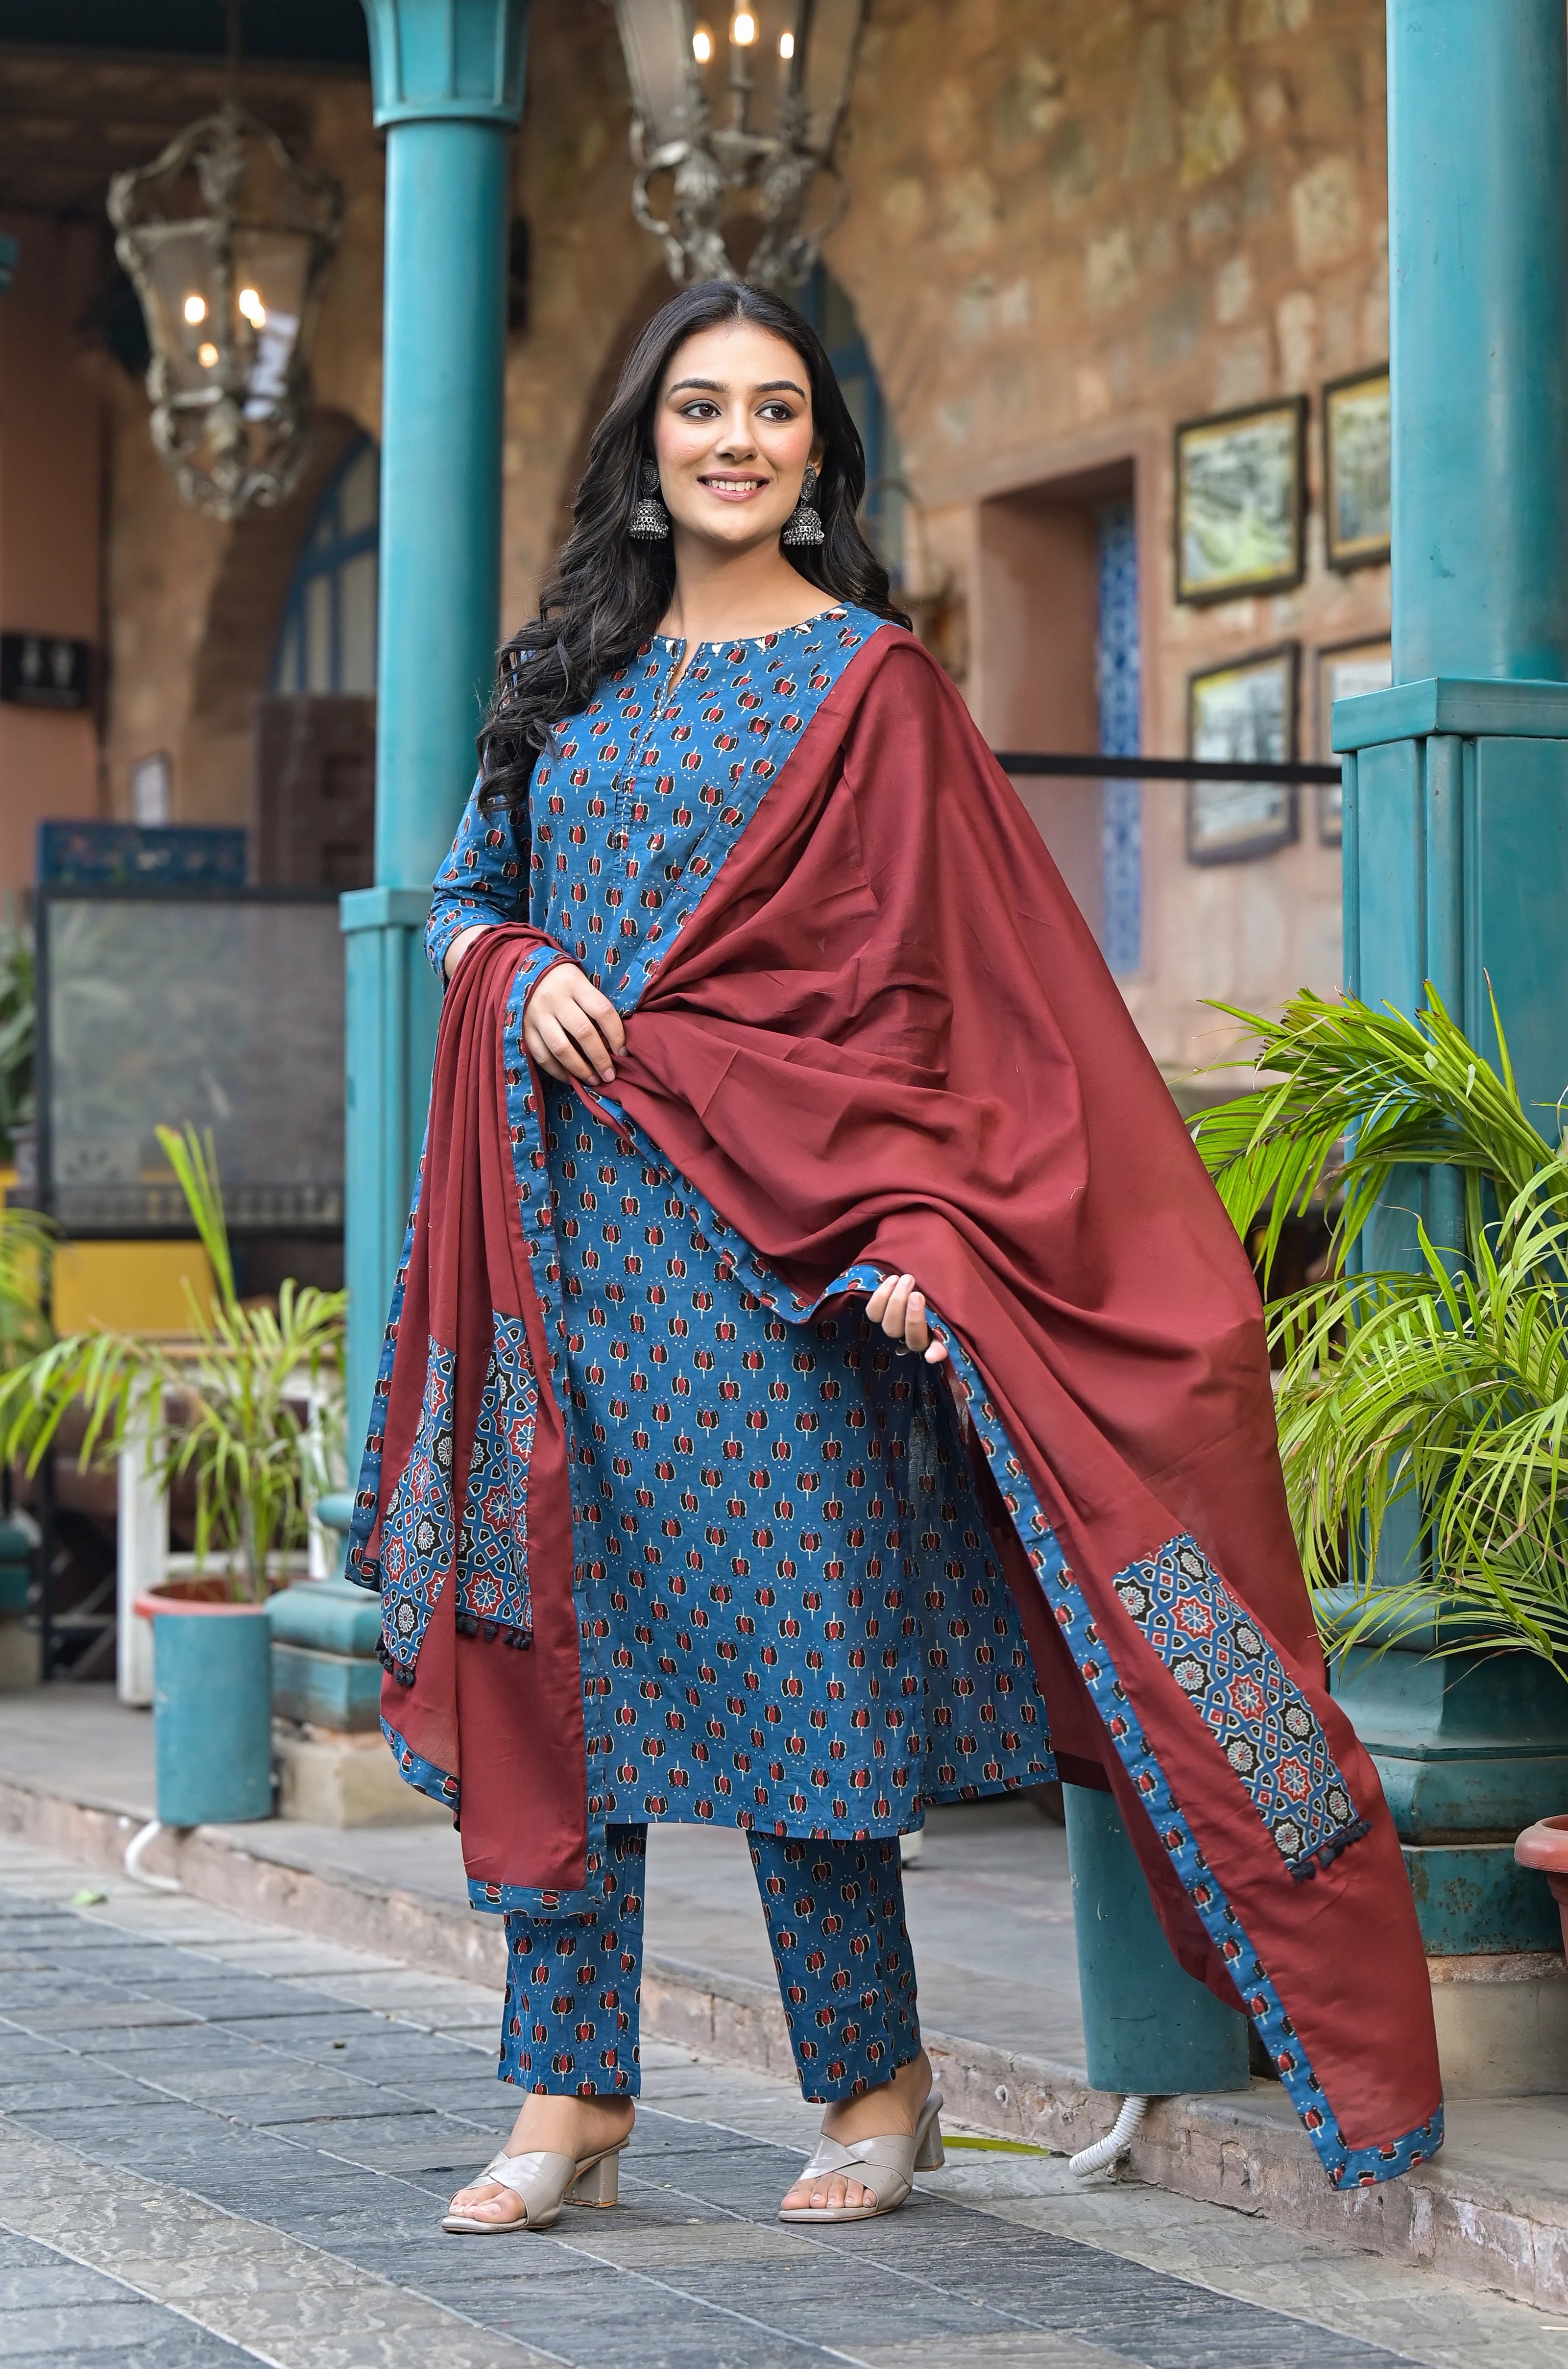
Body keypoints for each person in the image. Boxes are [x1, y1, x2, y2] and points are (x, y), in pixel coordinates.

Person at [347, 281, 1443, 2239]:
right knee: (553, 1675)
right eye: (700, 407)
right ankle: (565, 2096)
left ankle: (876, 2082)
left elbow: (960, 1015)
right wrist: (515, 975)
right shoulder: (560, 672)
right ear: (645, 440)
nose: (737, 439)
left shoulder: (876, 688)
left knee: (798, 1683)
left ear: (820, 458)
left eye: (776, 411)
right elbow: (458, 902)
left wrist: (928, 1231)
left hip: (781, 1272)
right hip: (561, 1244)